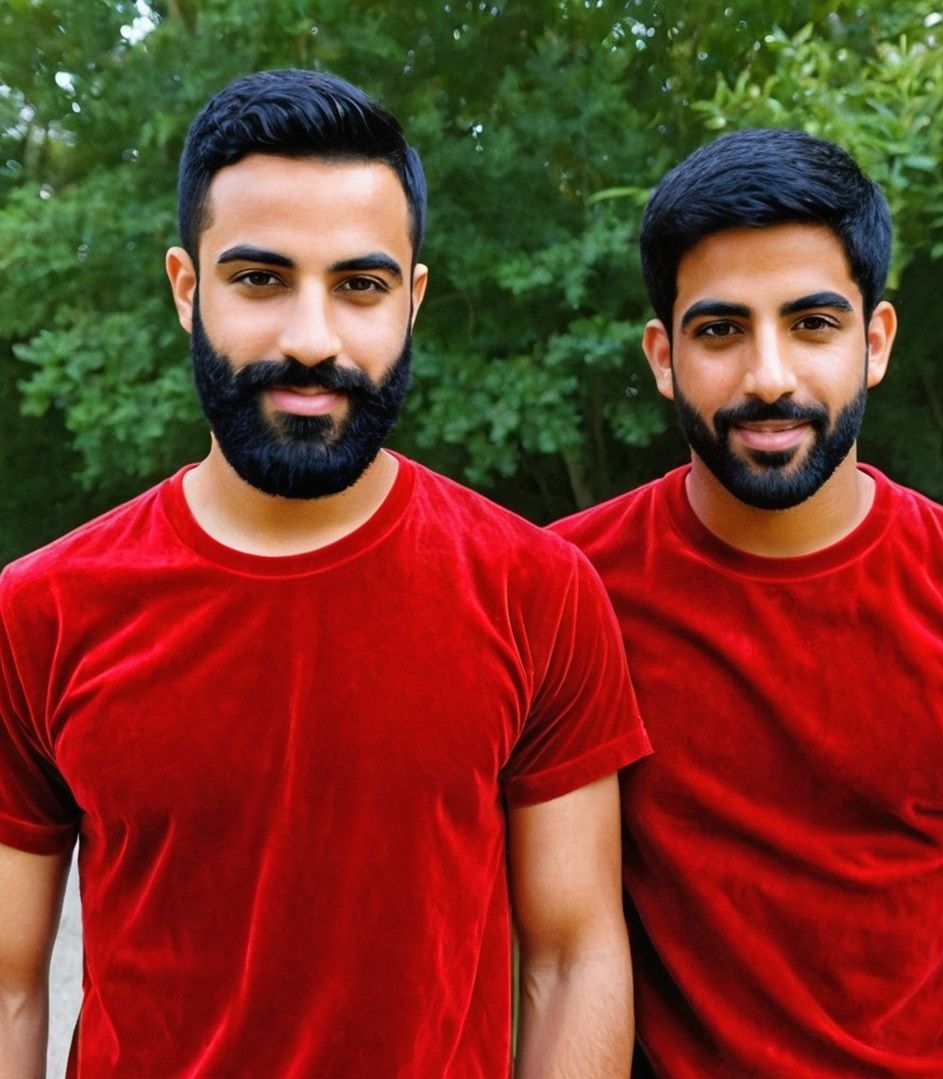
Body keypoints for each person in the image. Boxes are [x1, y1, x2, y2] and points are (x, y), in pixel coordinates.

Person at [0, 69, 651, 1077]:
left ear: (412, 298)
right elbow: (8, 979)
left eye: (359, 285)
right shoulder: (37, 612)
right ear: (187, 287)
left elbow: (571, 957)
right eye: (259, 280)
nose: (311, 338)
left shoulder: (539, 592)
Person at [551, 128, 943, 1076]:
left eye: (813, 323)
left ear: (874, 341)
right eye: (720, 331)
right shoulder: (563, 591)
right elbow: (542, 951)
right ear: (663, 355)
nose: (769, 376)